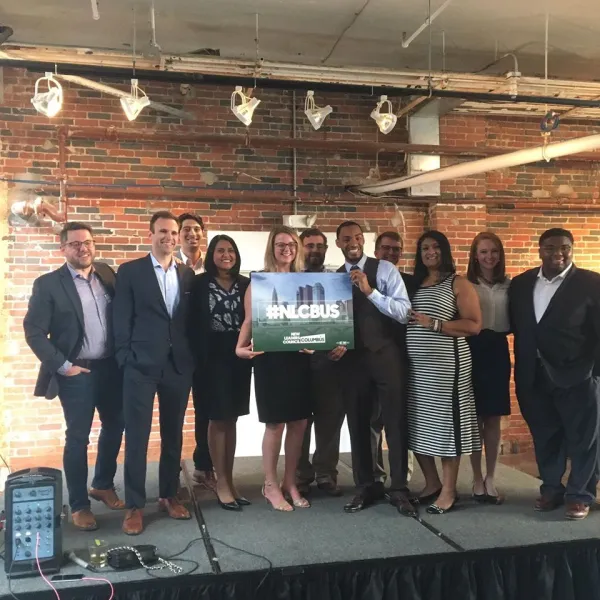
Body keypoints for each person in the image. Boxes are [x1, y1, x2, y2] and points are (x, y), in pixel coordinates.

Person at [236, 225, 346, 512]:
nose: (287, 249)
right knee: (275, 424)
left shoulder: (303, 280)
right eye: (281, 244)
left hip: (299, 360)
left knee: (299, 423)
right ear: (272, 247)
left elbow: (318, 319)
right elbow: (249, 320)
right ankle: (270, 485)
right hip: (270, 359)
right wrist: (239, 347)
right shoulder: (259, 281)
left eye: (292, 245)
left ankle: (290, 482)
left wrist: (327, 340)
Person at [23, 222, 124, 531]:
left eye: (88, 242)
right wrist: (63, 365)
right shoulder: (49, 284)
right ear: (63, 248)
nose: (84, 248)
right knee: (78, 437)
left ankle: (103, 484)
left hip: (111, 367)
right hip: (76, 370)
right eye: (76, 243)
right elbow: (34, 331)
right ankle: (79, 504)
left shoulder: (107, 275)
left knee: (116, 425)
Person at [113, 211, 196, 535]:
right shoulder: (131, 271)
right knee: (137, 437)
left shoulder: (187, 275)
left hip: (177, 365)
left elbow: (187, 321)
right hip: (140, 365)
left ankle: (168, 495)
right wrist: (125, 357)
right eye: (163, 231)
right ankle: (134, 505)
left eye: (174, 232)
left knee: (173, 435)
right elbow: (121, 317)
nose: (170, 237)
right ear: (151, 234)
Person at [509, 228, 600, 520]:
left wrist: (594, 375)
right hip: (532, 375)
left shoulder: (591, 283)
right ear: (539, 250)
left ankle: (580, 494)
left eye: (564, 248)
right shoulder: (521, 284)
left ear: (572, 249)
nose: (557, 254)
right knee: (545, 435)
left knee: (583, 437)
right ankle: (551, 488)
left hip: (578, 375)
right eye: (550, 248)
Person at [335, 221, 415, 517]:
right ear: (338, 243)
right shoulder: (332, 279)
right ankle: (365, 485)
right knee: (357, 424)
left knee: (395, 421)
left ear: (363, 240)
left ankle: (399, 488)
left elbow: (404, 313)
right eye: (346, 238)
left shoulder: (385, 270)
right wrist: (332, 344)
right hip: (351, 361)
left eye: (357, 237)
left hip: (386, 356)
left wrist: (371, 292)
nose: (352, 242)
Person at [406, 230, 482, 514]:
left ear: (445, 251)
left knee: (447, 427)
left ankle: (449, 491)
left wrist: (434, 324)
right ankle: (432, 483)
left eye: (436, 247)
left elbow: (474, 325)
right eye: (425, 247)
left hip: (447, 368)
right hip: (417, 370)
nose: (430, 252)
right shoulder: (415, 284)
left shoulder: (457, 283)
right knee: (418, 424)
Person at [189, 235, 252, 511]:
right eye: (220, 250)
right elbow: (190, 322)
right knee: (216, 419)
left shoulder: (246, 283)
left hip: (239, 356)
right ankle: (221, 482)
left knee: (232, 419)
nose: (226, 255)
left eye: (230, 251)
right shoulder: (199, 283)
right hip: (209, 359)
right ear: (211, 254)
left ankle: (229, 479)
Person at [296, 228, 345, 497]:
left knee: (330, 418)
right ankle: (300, 474)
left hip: (329, 357)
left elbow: (347, 316)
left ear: (327, 249)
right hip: (297, 359)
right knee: (300, 420)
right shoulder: (288, 279)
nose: (314, 250)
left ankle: (326, 473)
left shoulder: (338, 279)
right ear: (301, 248)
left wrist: (344, 343)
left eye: (319, 245)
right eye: (309, 245)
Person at [466, 232, 511, 505]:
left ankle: (491, 476)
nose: (489, 256)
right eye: (483, 252)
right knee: (473, 418)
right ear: (475, 255)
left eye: (494, 251)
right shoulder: (466, 283)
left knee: (493, 417)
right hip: (472, 348)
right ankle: (475, 477)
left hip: (497, 349)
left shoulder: (510, 284)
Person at [373, 230, 416, 484]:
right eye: (386, 248)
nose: (390, 253)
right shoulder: (365, 278)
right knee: (373, 420)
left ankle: (403, 478)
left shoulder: (412, 282)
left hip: (403, 358)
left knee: (400, 420)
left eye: (396, 249)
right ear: (376, 251)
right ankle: (376, 476)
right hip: (370, 360)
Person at [177, 213, 215, 491]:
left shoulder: (213, 266)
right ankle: (170, 473)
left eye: (197, 229)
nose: (192, 234)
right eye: (186, 229)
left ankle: (205, 467)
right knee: (173, 412)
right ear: (178, 235)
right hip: (175, 349)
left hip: (206, 350)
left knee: (207, 411)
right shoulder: (169, 264)